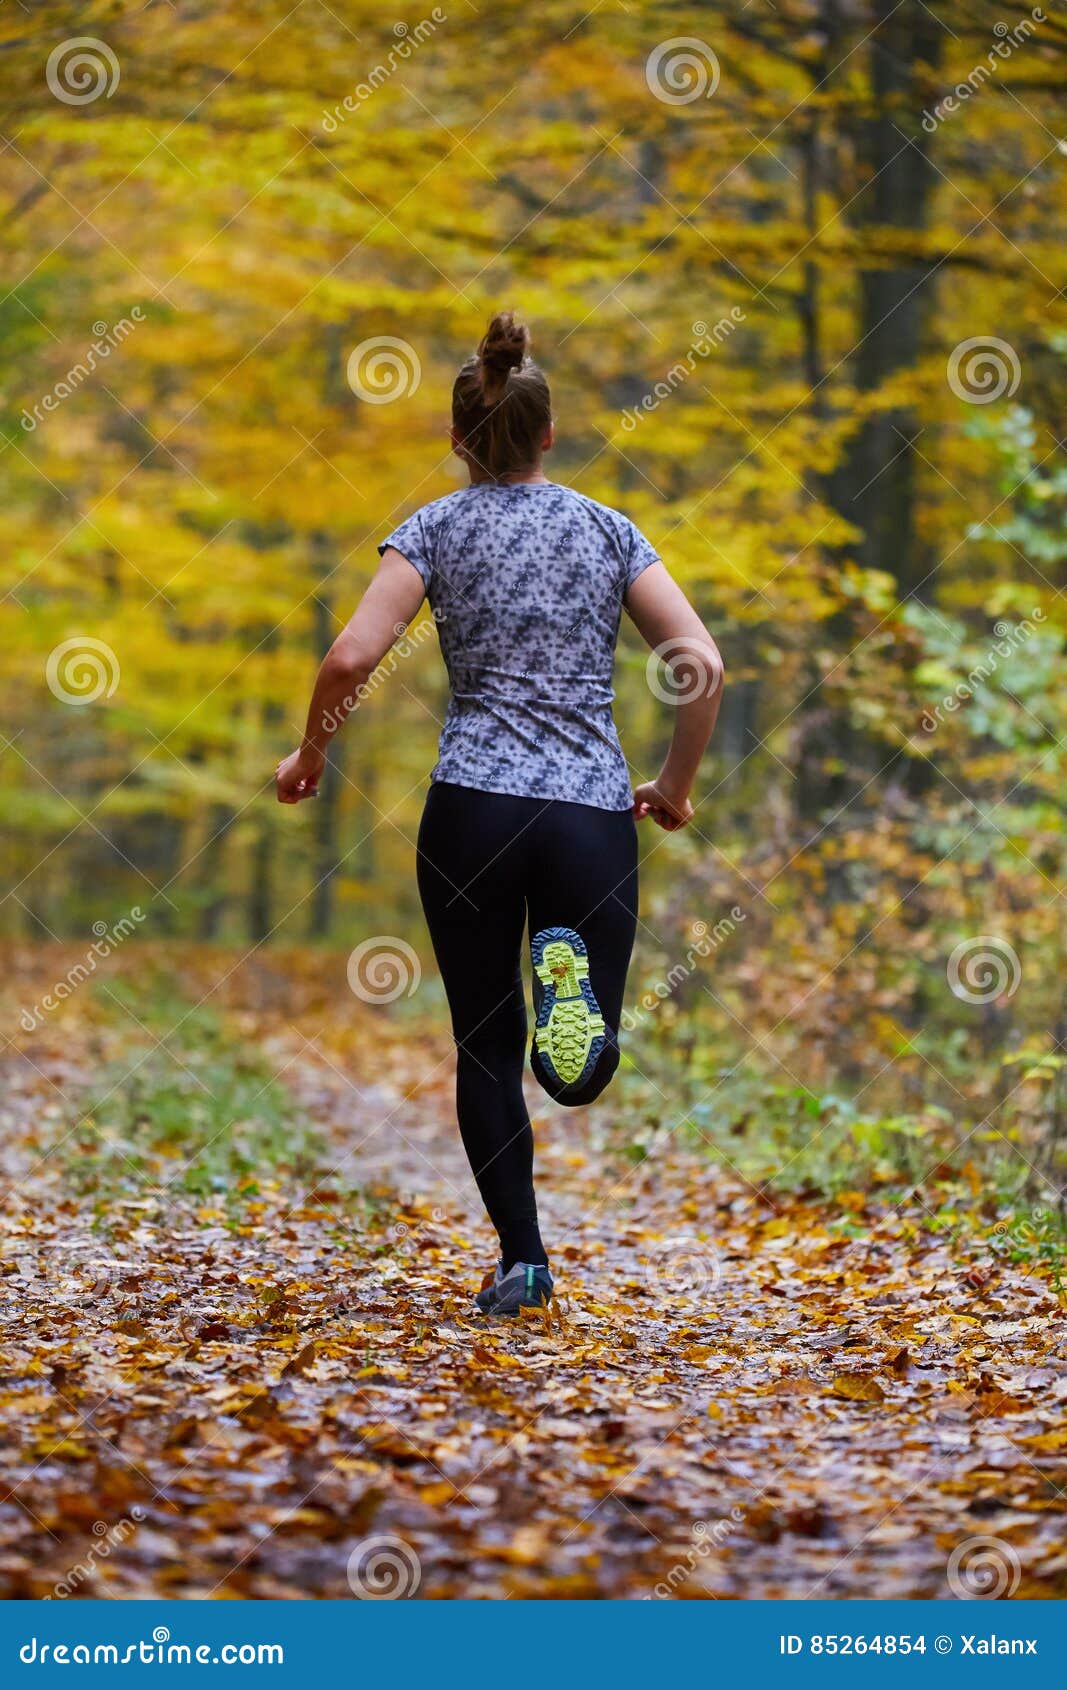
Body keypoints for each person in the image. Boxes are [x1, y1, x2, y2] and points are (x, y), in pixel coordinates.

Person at [277, 311, 723, 1314]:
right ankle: (580, 1028)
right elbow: (701, 662)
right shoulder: (608, 530)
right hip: (586, 810)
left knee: (484, 1041)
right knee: (575, 1062)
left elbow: (349, 656)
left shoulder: (432, 529)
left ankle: (522, 1261)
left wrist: (311, 751)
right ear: (549, 434)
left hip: (471, 808)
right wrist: (673, 785)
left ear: (457, 438)